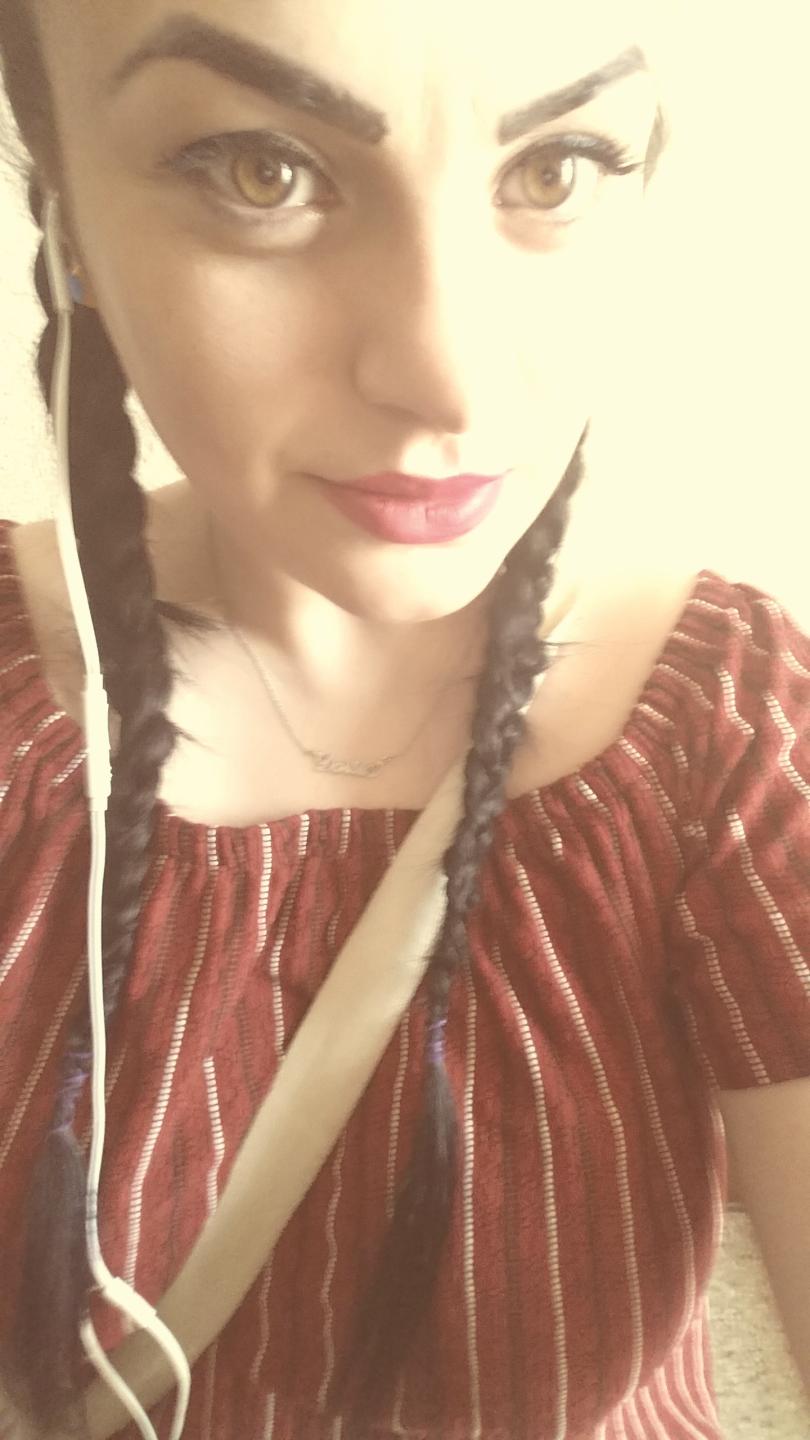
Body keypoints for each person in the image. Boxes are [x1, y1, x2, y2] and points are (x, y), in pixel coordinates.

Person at [0, 0, 808, 1437]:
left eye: (554, 168)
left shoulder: (736, 728)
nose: (448, 380)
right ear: (59, 206)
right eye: (260, 170)